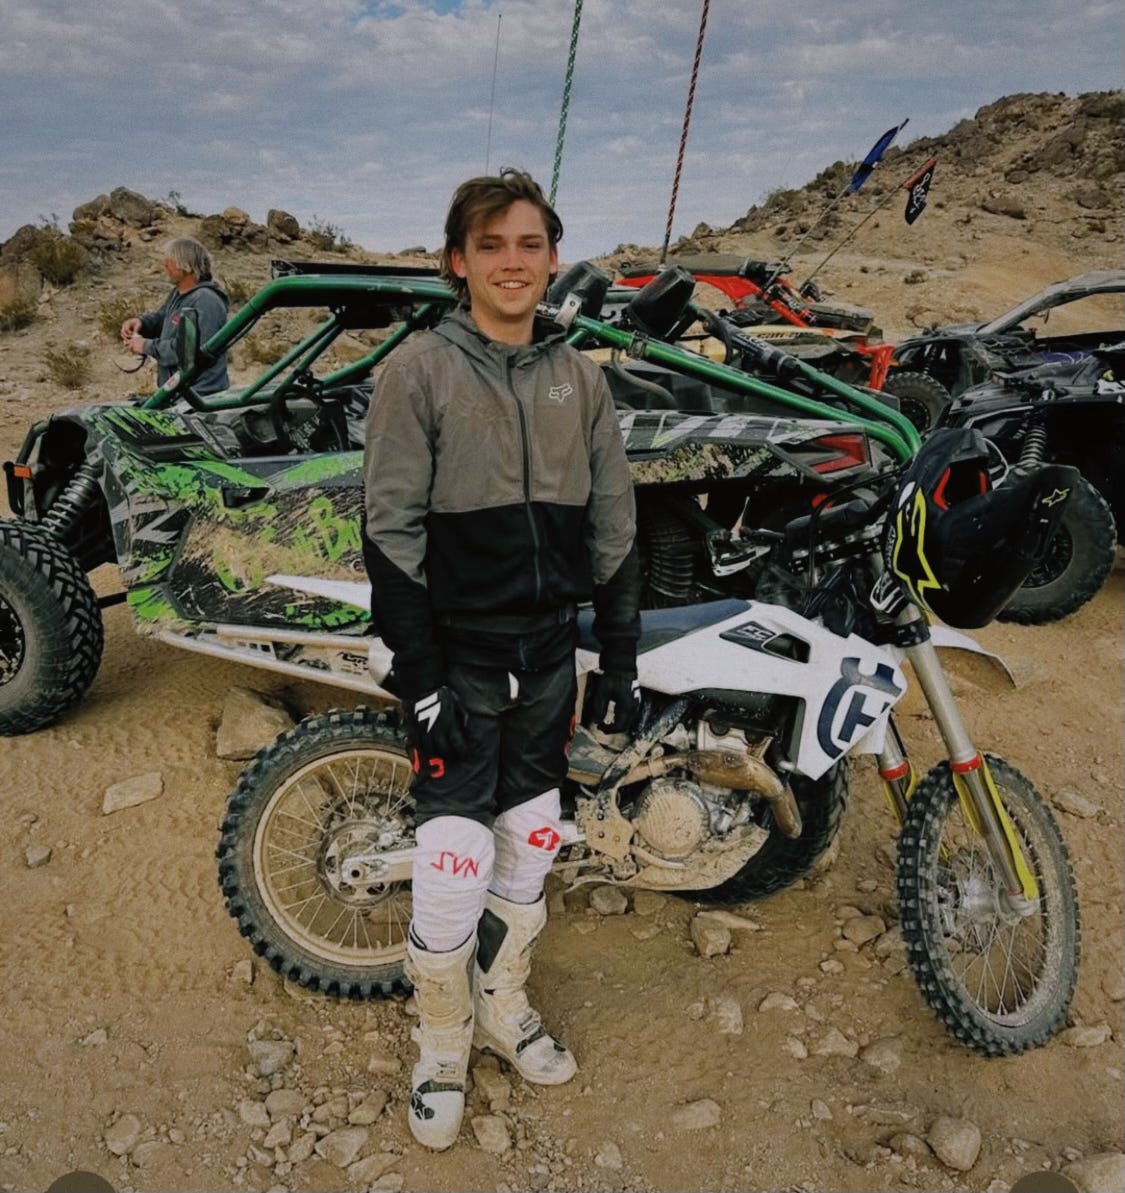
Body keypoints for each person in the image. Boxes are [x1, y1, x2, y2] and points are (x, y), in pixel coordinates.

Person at [363, 169, 641, 1150]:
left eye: (529, 244)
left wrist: (618, 661)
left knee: (530, 840)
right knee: (455, 854)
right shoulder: (417, 370)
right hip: (459, 656)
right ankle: (440, 1043)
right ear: (458, 261)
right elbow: (389, 526)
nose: (512, 261)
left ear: (554, 258)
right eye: (490, 245)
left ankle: (502, 1007)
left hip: (551, 650)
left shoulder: (582, 379)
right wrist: (420, 673)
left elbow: (613, 523)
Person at [120, 236, 229, 394]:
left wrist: (147, 346)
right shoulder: (178, 294)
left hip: (200, 395)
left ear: (187, 266)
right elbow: (163, 319)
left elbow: (195, 352)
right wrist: (141, 323)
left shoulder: (207, 300)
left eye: (170, 260)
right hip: (178, 393)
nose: (165, 264)